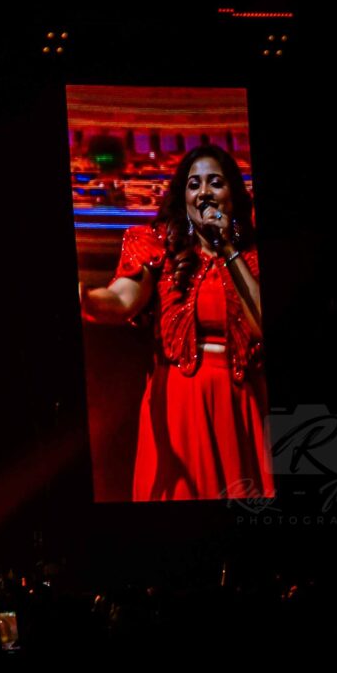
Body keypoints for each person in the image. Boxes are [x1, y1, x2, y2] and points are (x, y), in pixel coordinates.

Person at [80, 144, 271, 501]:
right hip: (179, 404)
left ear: (233, 195)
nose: (204, 192)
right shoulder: (159, 248)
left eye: (215, 183)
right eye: (194, 184)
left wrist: (227, 248)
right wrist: (86, 298)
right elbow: (122, 300)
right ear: (183, 198)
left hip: (238, 403)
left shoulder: (252, 256)